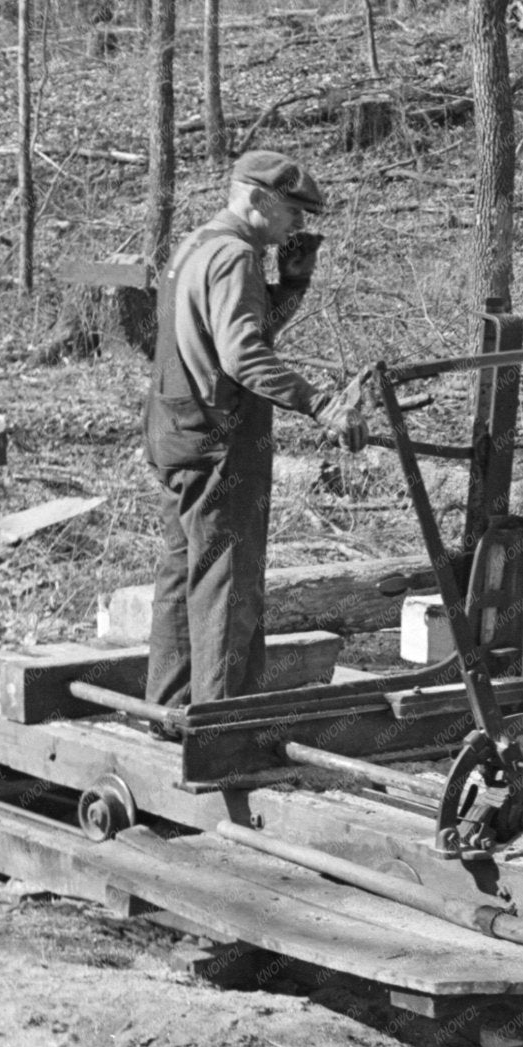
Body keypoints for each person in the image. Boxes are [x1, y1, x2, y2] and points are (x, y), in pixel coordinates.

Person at [143, 149, 365, 707]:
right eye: (293, 211)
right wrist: (320, 404)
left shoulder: (196, 245)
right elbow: (243, 356)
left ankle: (169, 710)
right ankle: (223, 730)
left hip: (175, 429)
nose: (300, 224)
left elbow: (233, 332)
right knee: (228, 586)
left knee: (182, 575)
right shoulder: (237, 256)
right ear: (257, 197)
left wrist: (290, 286)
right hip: (220, 440)